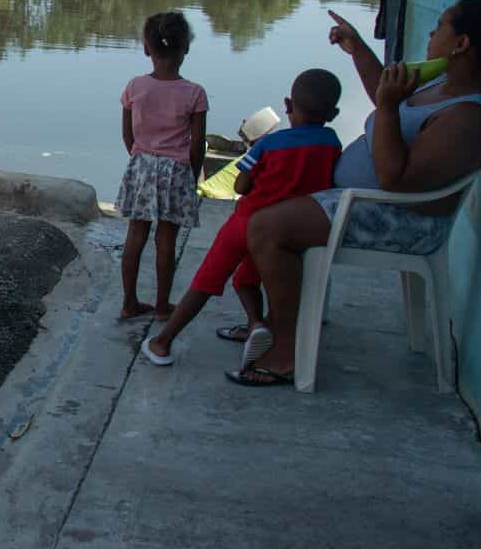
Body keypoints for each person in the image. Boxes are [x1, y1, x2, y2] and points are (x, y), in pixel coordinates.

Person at [232, 0, 481, 387]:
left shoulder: (469, 118)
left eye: (441, 25)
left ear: (461, 43)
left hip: (402, 220)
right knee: (270, 207)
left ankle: (287, 348)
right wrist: (357, 47)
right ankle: (279, 323)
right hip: (366, 202)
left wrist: (390, 109)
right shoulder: (444, 80)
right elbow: (386, 92)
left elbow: (398, 180)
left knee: (268, 227)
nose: (432, 32)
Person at [140, 68, 343, 366]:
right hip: (287, 229)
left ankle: (163, 340)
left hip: (246, 222)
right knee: (248, 279)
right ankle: (256, 324)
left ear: (288, 105)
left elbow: (241, 186)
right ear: (334, 113)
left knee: (206, 280)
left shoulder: (269, 144)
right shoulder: (332, 143)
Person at [115, 11, 208, 322]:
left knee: (135, 236)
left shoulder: (134, 87)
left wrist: (141, 157)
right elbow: (197, 144)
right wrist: (191, 177)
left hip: (140, 166)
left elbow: (127, 135)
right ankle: (162, 306)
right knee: (166, 240)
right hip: (176, 170)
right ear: (187, 48)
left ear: (146, 48)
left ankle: (129, 302)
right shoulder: (194, 93)